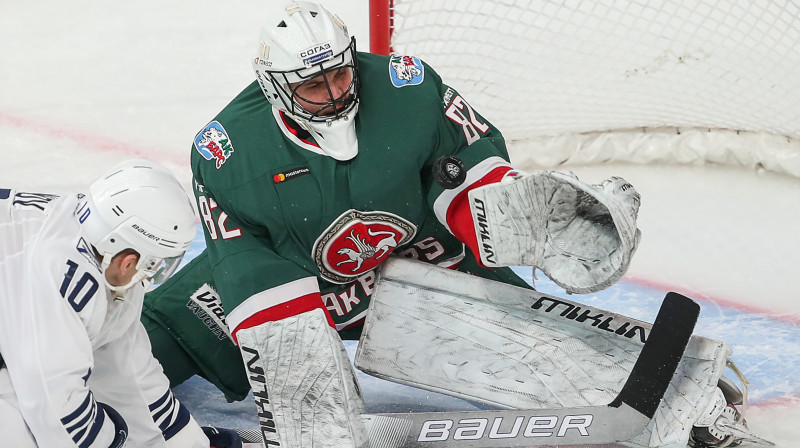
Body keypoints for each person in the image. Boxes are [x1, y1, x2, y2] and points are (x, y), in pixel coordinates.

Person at [141, 2, 750, 448]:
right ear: (275, 86)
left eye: (340, 74)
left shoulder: (406, 88)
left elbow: (466, 172)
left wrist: (526, 218)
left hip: (420, 260)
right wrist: (293, 361)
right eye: (314, 85)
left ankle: (690, 395)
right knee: (155, 339)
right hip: (294, 280)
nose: (334, 92)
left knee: (535, 347)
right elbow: (243, 261)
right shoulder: (228, 150)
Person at [0, 159, 241, 448]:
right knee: (20, 430)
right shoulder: (59, 270)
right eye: (158, 264)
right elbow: (53, 408)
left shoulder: (95, 251)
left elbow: (128, 372)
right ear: (129, 261)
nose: (151, 275)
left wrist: (187, 442)